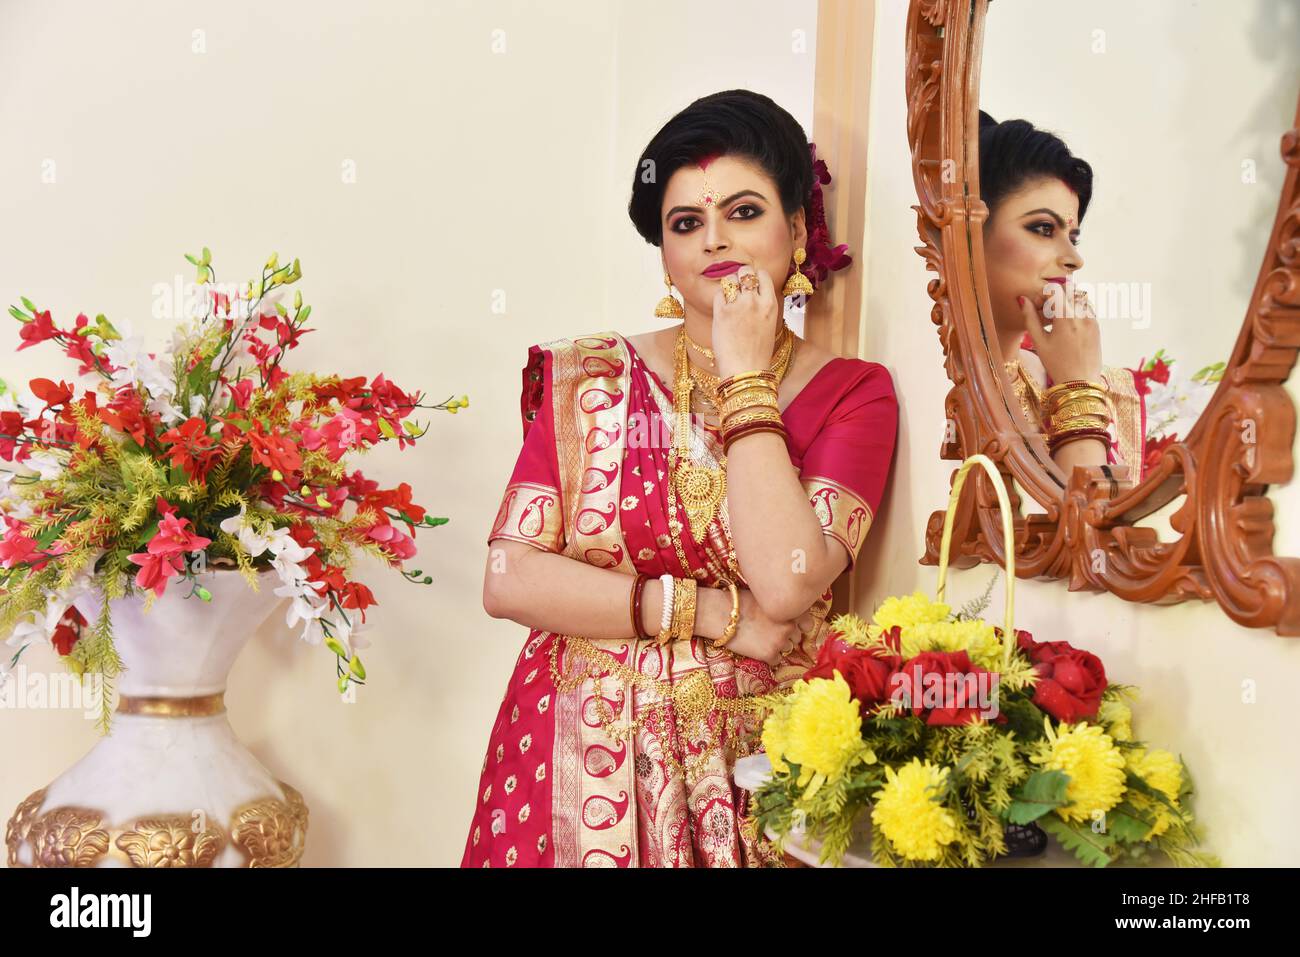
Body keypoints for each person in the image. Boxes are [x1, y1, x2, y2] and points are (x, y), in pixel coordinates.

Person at [463, 89, 898, 867]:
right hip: (574, 760)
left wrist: (744, 378)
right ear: (664, 254)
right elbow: (509, 576)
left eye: (743, 212)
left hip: (753, 769)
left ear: (797, 230)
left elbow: (790, 583)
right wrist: (710, 614)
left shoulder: (852, 392)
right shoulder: (591, 380)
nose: (714, 240)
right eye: (686, 224)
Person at [979, 112, 1144, 481]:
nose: (1073, 259)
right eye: (1042, 228)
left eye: (1073, 237)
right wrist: (1076, 389)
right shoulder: (932, 378)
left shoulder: (1103, 385)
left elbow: (1097, 533)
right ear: (968, 233)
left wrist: (1079, 383)